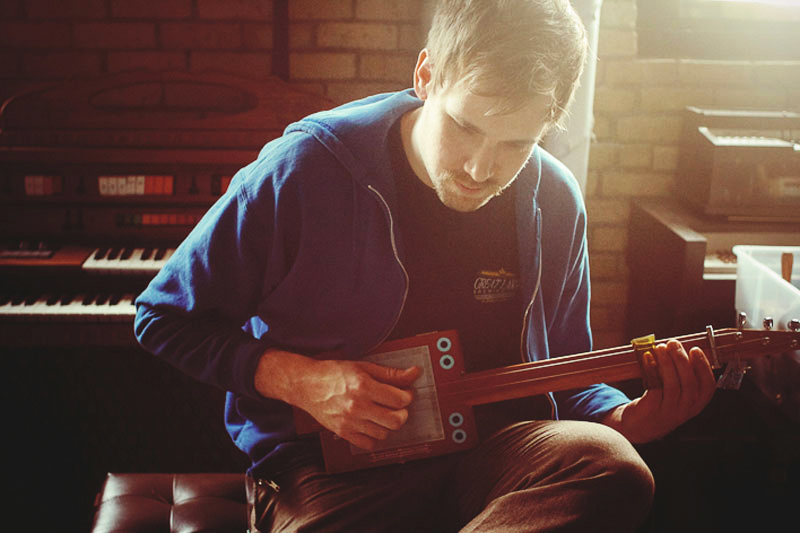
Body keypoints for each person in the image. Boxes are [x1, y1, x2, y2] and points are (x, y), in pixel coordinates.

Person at [134, 0, 717, 531]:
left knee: (616, 468)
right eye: (465, 127)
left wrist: (625, 418)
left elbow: (567, 377)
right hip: (326, 468)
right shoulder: (306, 169)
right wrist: (304, 381)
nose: (480, 168)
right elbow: (161, 318)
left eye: (517, 144)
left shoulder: (554, 200)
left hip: (495, 460)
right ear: (426, 75)